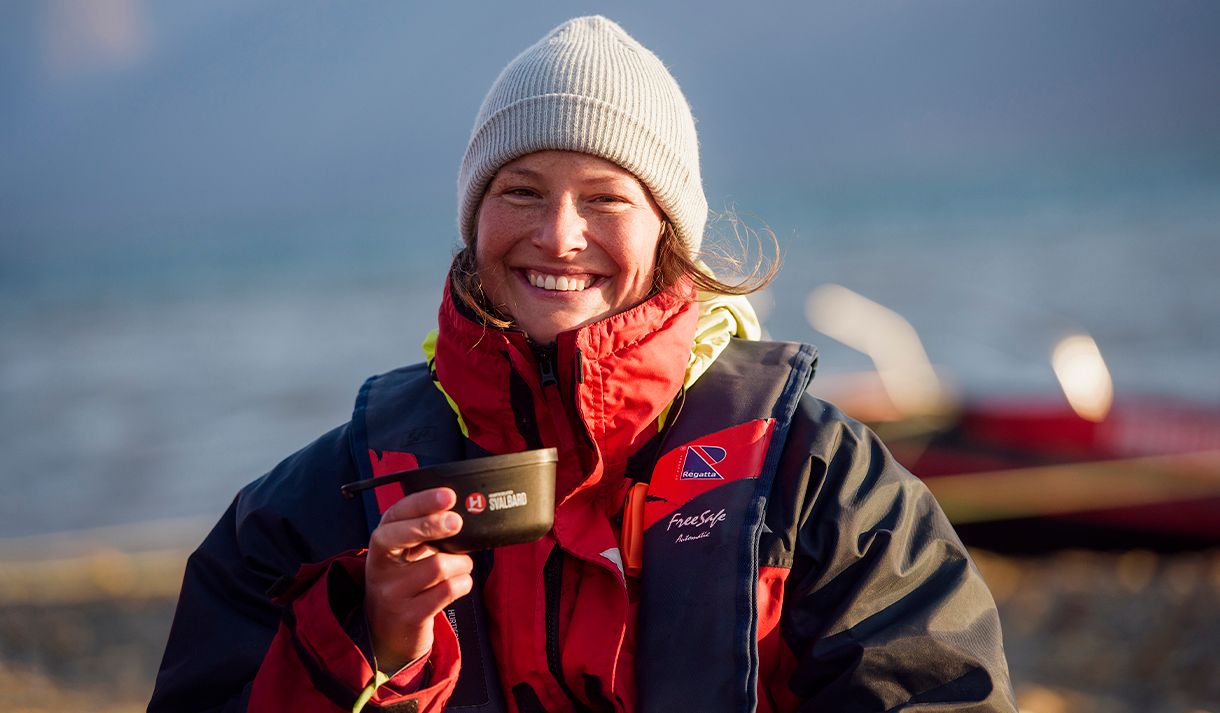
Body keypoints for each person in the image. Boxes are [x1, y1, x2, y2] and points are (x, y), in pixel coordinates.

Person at [150, 16, 1016, 713]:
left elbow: (939, 689)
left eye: (606, 199)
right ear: (473, 216)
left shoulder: (820, 479)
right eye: (520, 189)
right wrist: (371, 645)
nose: (559, 235)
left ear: (669, 238)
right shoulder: (311, 510)